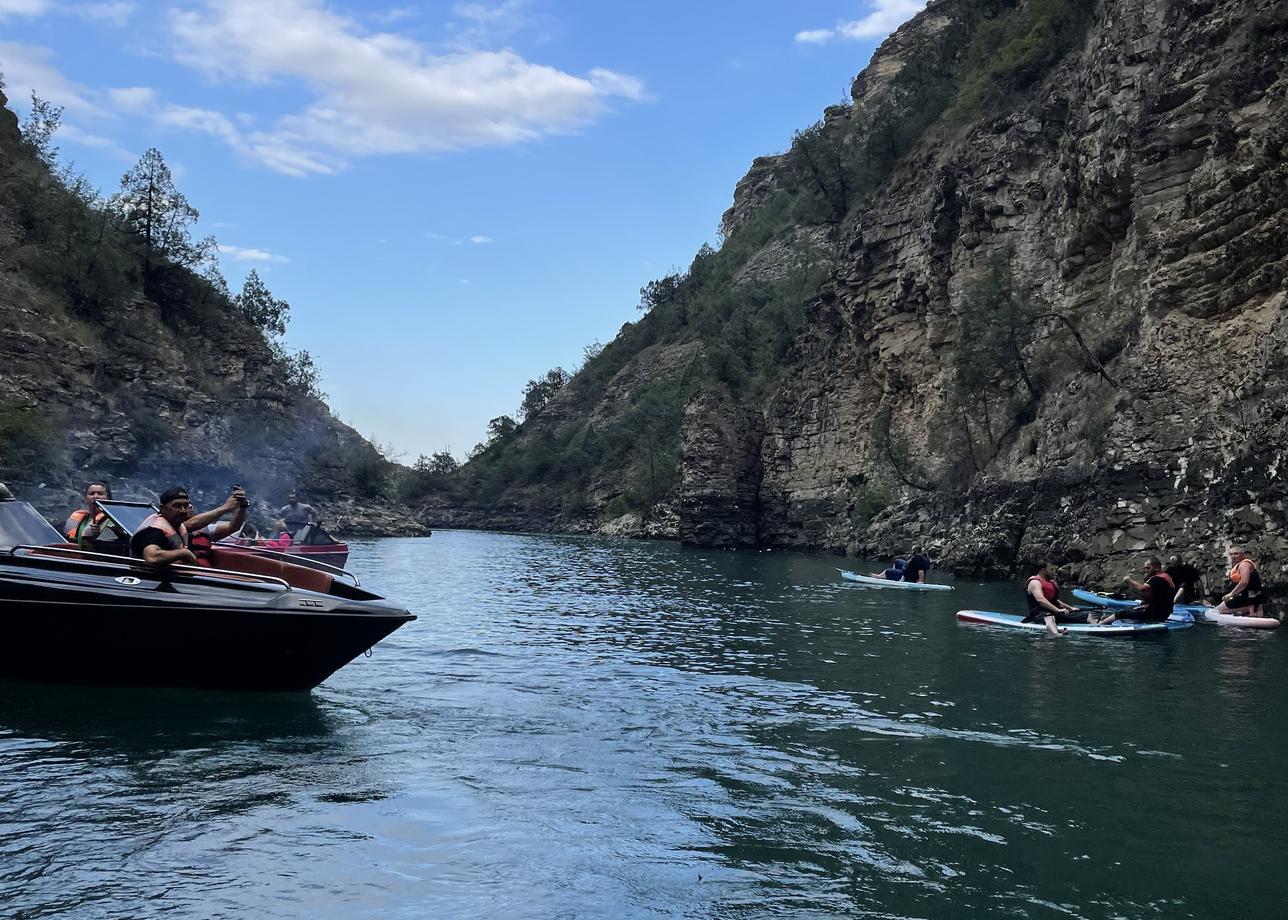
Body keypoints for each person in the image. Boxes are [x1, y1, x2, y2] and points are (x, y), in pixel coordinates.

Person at [130, 485, 248, 567]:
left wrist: (242, 506)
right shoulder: (155, 530)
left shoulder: (180, 528)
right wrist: (183, 553)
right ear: (163, 509)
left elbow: (233, 527)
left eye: (185, 506)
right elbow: (152, 557)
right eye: (176, 506)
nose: (182, 511)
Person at [1095, 556, 1175, 625]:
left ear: (1157, 567)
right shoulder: (1166, 577)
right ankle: (1106, 620)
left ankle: (1099, 624)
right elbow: (1156, 597)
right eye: (1145, 568)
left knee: (1121, 613)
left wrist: (1128, 580)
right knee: (1132, 608)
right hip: (1163, 614)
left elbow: (1142, 588)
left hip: (1156, 614)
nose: (1146, 570)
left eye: (1148, 568)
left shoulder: (1157, 579)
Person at [1021, 561, 1085, 636]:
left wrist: (1070, 608)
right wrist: (1057, 610)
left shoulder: (1050, 582)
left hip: (1054, 612)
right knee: (1050, 617)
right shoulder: (1035, 582)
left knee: (1086, 616)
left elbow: (1054, 601)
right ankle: (1056, 635)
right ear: (1043, 570)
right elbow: (1040, 599)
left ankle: (1098, 627)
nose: (1054, 572)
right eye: (1051, 570)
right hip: (1038, 614)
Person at [63, 481, 125, 549]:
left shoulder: (116, 521)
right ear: (86, 498)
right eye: (91, 494)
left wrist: (99, 536)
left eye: (100, 494)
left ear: (108, 498)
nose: (95, 496)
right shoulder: (81, 519)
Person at [1209, 546, 1266, 618]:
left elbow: (1244, 582)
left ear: (1242, 554)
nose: (1233, 556)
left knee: (1220, 610)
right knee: (1220, 606)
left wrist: (1231, 594)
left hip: (1248, 596)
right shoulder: (1239, 565)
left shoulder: (1244, 565)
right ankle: (1249, 610)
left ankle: (1247, 608)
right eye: (1231, 554)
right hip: (1250, 595)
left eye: (1236, 554)